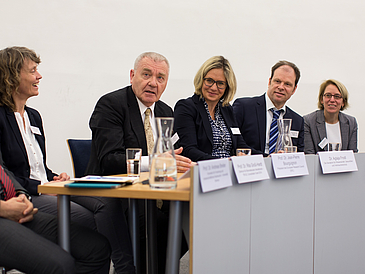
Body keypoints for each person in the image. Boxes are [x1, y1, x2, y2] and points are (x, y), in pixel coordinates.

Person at [0, 46, 135, 274]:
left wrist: (52, 176)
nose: (39, 76)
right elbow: (8, 173)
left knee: (108, 203)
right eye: (32, 71)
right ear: (13, 76)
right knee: (94, 224)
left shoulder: (33, 116)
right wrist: (43, 186)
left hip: (46, 186)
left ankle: (125, 267)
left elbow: (36, 165)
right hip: (30, 192)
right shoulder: (2, 117)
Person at [86, 52, 192, 273]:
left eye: (160, 78)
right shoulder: (111, 104)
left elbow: (174, 152)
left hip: (159, 191)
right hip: (121, 197)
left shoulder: (165, 111)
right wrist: (153, 162)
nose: (153, 83)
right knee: (157, 226)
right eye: (146, 74)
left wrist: (184, 164)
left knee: (192, 220)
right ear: (132, 75)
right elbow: (109, 161)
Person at [0, 151, 111, 274]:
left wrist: (21, 194)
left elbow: (3, 169)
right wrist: (4, 208)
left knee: (97, 248)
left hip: (12, 204)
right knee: (62, 265)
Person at [173, 56, 254, 162]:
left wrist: (268, 157)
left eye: (220, 83)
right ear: (201, 80)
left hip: (230, 170)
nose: (214, 88)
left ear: (227, 87)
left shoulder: (227, 109)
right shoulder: (186, 107)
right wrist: (225, 162)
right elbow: (189, 150)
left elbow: (241, 146)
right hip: (203, 171)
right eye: (209, 81)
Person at [232, 60, 304, 156]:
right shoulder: (244, 107)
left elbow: (300, 155)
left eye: (287, 84)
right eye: (277, 81)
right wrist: (269, 158)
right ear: (269, 82)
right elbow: (235, 144)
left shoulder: (297, 121)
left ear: (294, 89)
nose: (281, 87)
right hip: (252, 167)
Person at [303, 79, 358, 154]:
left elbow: (353, 155)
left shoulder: (351, 123)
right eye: (328, 95)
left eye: (337, 96)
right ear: (321, 99)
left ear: (343, 102)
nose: (332, 100)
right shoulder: (308, 121)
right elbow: (310, 156)